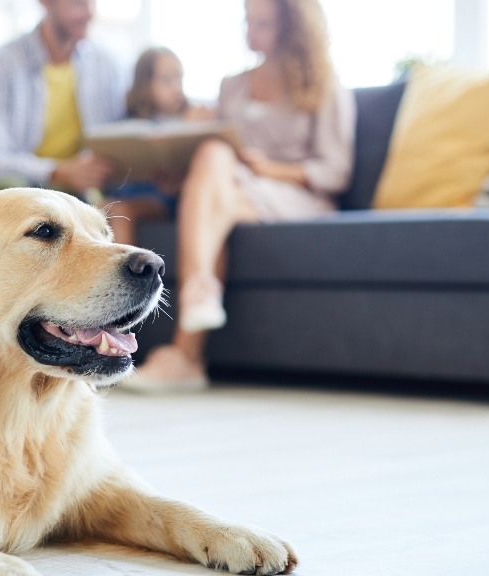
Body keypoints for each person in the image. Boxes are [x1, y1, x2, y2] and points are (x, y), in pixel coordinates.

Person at [122, 0, 355, 393]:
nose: (251, 31)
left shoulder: (323, 84)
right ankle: (193, 323)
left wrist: (271, 168)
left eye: (262, 23)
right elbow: (213, 171)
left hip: (296, 195)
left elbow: (336, 171)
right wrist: (177, 182)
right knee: (213, 156)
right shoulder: (233, 85)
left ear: (294, 27)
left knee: (216, 179)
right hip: (236, 193)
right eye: (249, 21)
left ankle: (188, 348)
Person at [0, 0, 126, 215]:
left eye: (92, 3)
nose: (88, 13)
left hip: (65, 195)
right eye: (78, 3)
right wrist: (57, 171)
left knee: (86, 207)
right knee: (18, 194)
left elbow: (121, 142)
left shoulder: (107, 65)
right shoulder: (1, 65)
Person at [109, 46, 215, 244]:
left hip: (169, 199)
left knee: (119, 211)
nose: (176, 87)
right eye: (166, 80)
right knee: (102, 207)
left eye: (179, 78)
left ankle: (127, 276)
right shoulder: (130, 125)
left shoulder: (195, 117)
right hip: (134, 190)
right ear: (145, 84)